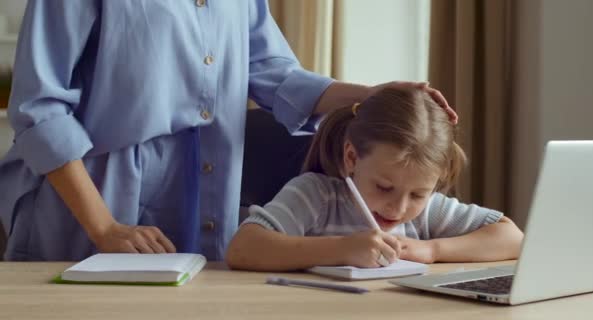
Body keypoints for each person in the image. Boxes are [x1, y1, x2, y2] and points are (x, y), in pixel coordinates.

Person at [0, 1, 456, 261]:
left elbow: (273, 73)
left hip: (202, 190)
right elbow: (39, 108)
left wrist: (371, 93)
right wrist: (105, 227)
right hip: (95, 200)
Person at [226, 87, 523, 271]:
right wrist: (342, 249)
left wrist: (433, 250)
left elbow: (513, 238)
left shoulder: (427, 211)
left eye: (418, 194)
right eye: (384, 187)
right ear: (352, 158)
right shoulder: (316, 195)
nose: (398, 208)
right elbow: (243, 248)